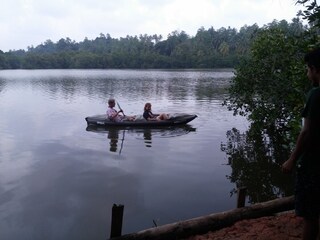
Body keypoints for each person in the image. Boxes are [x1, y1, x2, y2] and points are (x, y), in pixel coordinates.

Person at [282, 48, 320, 240]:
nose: (307, 74)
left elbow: (306, 132)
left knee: (310, 215)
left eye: (307, 69)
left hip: (314, 165)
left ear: (314, 69)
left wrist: (291, 159)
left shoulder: (316, 94)